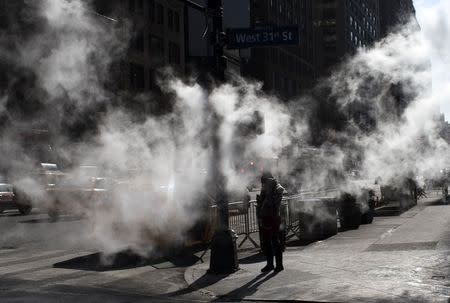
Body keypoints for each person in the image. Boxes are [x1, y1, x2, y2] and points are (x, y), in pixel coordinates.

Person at [257, 171, 285, 272]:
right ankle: (270, 264)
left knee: (274, 241)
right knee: (267, 242)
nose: (262, 185)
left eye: (264, 183)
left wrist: (268, 192)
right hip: (266, 217)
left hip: (272, 217)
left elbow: (274, 202)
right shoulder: (266, 190)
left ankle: (279, 265)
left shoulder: (275, 188)